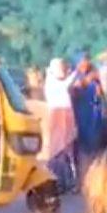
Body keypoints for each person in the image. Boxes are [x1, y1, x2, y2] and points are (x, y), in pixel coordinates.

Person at [43, 58, 78, 190]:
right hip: (60, 117)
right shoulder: (53, 83)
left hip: (61, 117)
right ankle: (62, 182)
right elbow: (67, 84)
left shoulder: (52, 81)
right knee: (60, 151)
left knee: (62, 150)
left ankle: (64, 181)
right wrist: (77, 71)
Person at [69, 50, 106, 166]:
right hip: (83, 118)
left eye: (86, 61)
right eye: (82, 61)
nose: (85, 63)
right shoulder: (75, 77)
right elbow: (73, 90)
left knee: (97, 150)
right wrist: (87, 80)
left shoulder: (94, 78)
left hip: (96, 118)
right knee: (85, 152)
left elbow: (101, 95)